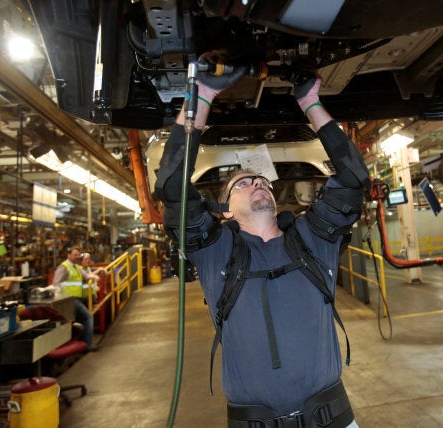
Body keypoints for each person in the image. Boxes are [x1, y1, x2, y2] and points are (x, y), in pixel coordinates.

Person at [155, 54, 370, 427]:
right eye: (242, 183)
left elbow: (352, 178)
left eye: (261, 182)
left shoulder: (312, 238)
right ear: (223, 210)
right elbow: (174, 188)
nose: (256, 184)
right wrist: (202, 94)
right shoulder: (214, 250)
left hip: (332, 419)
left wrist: (311, 104)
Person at [53, 246, 100, 351]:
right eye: (75, 255)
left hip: (76, 299)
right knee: (88, 317)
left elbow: (86, 276)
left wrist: (94, 277)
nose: (77, 257)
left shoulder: (76, 267)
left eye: (78, 255)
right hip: (68, 300)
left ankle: (79, 344)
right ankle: (87, 345)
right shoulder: (64, 267)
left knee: (78, 321)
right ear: (68, 255)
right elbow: (56, 284)